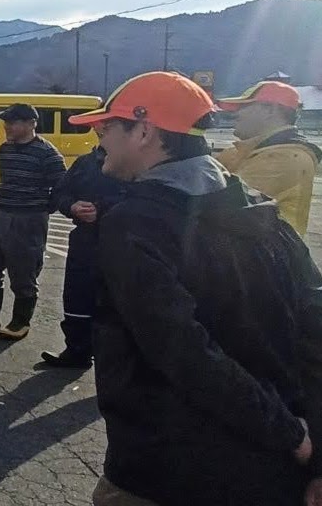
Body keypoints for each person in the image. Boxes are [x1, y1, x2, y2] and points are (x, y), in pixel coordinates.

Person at [67, 71, 322, 506]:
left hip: (164, 469)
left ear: (144, 131)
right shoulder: (262, 211)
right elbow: (312, 327)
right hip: (271, 470)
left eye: (106, 126)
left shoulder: (135, 225)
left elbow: (183, 352)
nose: (98, 137)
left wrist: (290, 433)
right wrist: (308, 447)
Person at [0, 103, 65, 340]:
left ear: (31, 124)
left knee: (23, 274)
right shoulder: (4, 150)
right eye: (5, 122)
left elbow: (62, 186)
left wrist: (43, 208)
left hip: (28, 220)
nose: (7, 127)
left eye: (13, 122)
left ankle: (20, 322)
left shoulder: (47, 154)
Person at [40, 144, 125, 368]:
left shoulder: (134, 163)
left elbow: (140, 198)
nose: (102, 129)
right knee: (77, 295)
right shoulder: (84, 163)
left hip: (120, 239)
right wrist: (71, 206)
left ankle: (115, 359)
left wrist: (102, 208)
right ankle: (77, 350)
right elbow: (60, 193)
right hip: (84, 240)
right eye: (100, 124)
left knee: (116, 300)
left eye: (109, 124)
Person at [216, 80, 321, 236]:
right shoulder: (247, 150)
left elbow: (220, 209)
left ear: (271, 110)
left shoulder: (287, 158)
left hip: (261, 257)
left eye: (244, 107)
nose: (236, 113)